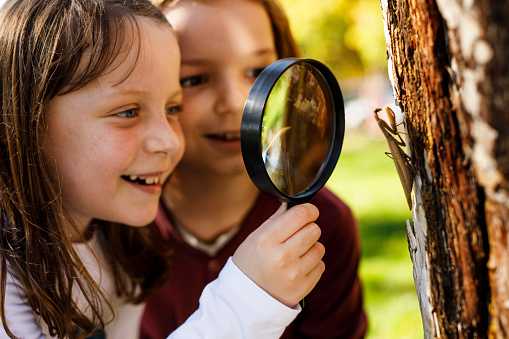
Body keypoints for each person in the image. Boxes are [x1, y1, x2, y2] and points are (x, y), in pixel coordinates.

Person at [0, 0, 326, 338]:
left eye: (172, 109)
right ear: (25, 121)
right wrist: (248, 301)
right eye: (128, 112)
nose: (169, 141)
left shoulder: (113, 248)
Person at [141, 0, 368, 338]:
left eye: (257, 73)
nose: (235, 101)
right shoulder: (112, 225)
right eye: (195, 78)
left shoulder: (319, 226)